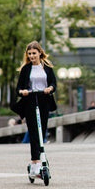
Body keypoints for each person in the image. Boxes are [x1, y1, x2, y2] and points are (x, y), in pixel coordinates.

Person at [14, 41, 57, 177]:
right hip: (30, 101)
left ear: (40, 53)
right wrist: (23, 92)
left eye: (34, 53)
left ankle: (38, 162)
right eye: (29, 54)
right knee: (33, 132)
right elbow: (18, 89)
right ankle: (35, 162)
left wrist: (50, 88)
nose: (32, 56)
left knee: (42, 130)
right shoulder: (26, 69)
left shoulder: (47, 67)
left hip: (44, 99)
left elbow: (53, 83)